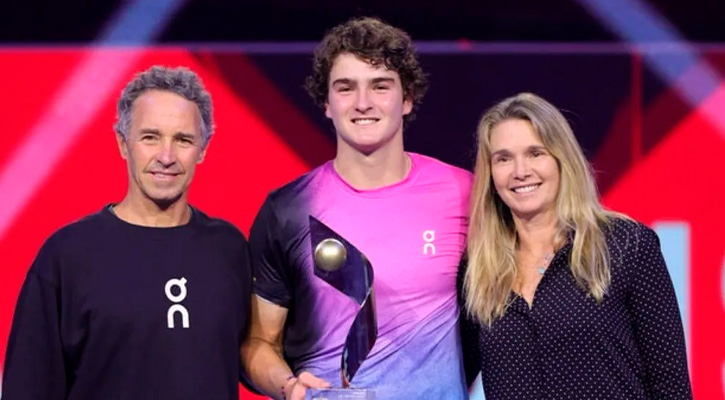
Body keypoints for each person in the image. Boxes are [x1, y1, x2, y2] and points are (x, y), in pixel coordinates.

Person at [241, 17, 472, 400]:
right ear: (327, 103)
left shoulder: (462, 193)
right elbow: (257, 343)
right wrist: (287, 386)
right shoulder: (288, 210)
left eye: (380, 86)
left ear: (408, 98)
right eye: (346, 88)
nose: (363, 103)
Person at [2, 66, 251, 399]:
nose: (166, 156)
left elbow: (255, 353)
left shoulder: (229, 249)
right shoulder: (67, 256)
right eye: (150, 137)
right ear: (123, 143)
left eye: (183, 140)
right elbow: (28, 387)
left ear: (203, 149)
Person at [462, 92, 692, 399]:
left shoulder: (626, 245)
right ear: (490, 174)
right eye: (503, 158)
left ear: (562, 159)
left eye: (535, 153)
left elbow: (670, 382)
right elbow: (448, 374)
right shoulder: (478, 268)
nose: (520, 171)